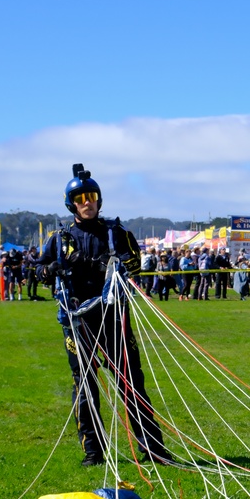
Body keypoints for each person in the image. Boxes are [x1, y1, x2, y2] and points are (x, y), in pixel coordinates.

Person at [38, 164, 171, 467]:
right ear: (71, 203)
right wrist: (49, 270)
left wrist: (117, 265)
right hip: (77, 320)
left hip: (113, 318)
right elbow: (36, 269)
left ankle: (153, 448)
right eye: (81, 198)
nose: (87, 202)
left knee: (132, 383)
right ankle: (93, 452)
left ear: (99, 200)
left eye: (92, 196)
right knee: (85, 383)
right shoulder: (58, 238)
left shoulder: (118, 234)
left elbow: (136, 266)